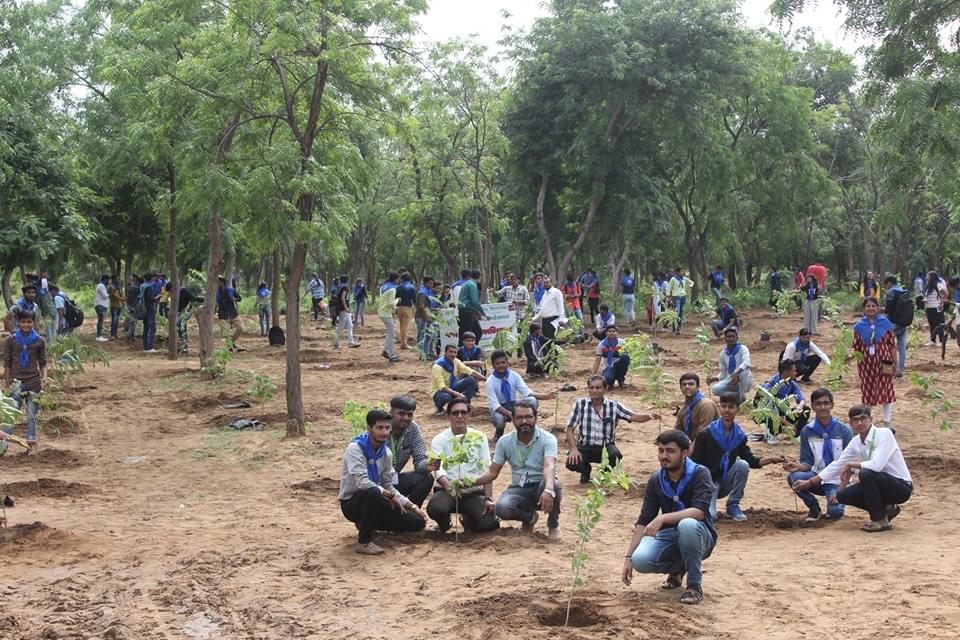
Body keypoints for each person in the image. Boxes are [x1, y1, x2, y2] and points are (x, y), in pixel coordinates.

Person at [622, 429, 717, 605]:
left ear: (685, 452)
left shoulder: (699, 473)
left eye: (670, 451)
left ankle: (694, 587)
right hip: (669, 537)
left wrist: (663, 518)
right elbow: (643, 521)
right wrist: (628, 558)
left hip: (700, 536)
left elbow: (699, 512)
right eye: (661, 450)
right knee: (640, 560)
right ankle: (677, 568)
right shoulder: (656, 480)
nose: (664, 456)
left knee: (687, 525)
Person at [792, 404, 912, 532]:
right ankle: (885, 510)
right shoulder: (856, 442)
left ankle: (878, 520)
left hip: (900, 486)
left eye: (863, 418)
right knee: (843, 495)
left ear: (871, 419)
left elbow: (877, 465)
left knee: (866, 474)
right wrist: (810, 482)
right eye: (855, 420)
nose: (860, 423)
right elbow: (837, 464)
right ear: (851, 423)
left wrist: (851, 465)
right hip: (878, 484)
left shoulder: (884, 434)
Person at [338, 409, 428, 555]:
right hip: (353, 503)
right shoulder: (355, 449)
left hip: (378, 500)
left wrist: (412, 506)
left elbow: (388, 484)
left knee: (417, 522)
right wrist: (389, 496)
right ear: (369, 429)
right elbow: (362, 483)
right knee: (372, 491)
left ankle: (369, 523)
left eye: (387, 428)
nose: (384, 432)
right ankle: (364, 542)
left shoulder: (386, 453)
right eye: (379, 428)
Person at [472, 400, 562, 540]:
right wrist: (469, 482)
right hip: (518, 488)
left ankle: (553, 524)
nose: (524, 421)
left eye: (528, 417)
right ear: (513, 420)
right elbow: (492, 472)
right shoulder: (504, 442)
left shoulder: (548, 439)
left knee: (554, 485)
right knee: (502, 508)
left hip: (541, 485)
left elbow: (549, 466)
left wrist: (548, 489)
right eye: (519, 418)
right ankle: (530, 517)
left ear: (535, 418)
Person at [690, 392, 783, 522]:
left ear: (737, 409)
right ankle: (704, 504)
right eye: (724, 406)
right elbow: (695, 462)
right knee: (711, 516)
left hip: (725, 480)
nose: (727, 410)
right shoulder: (706, 434)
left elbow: (750, 460)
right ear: (719, 408)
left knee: (742, 465)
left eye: (731, 407)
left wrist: (771, 460)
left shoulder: (739, 435)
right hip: (708, 483)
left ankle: (733, 504)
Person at [565, 374, 657, 483]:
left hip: (606, 446)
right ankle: (585, 471)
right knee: (572, 462)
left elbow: (632, 416)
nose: (594, 390)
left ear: (605, 389)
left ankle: (604, 474)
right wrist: (573, 449)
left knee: (616, 456)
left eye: (598, 388)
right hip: (585, 445)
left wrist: (648, 416)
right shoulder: (580, 404)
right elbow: (570, 428)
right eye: (592, 387)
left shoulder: (613, 405)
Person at [427, 398, 499, 533]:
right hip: (446, 491)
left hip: (473, 492)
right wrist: (449, 487)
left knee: (489, 524)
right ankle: (445, 523)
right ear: (448, 416)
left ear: (469, 415)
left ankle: (467, 519)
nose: (460, 416)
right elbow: (437, 468)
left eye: (463, 412)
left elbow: (486, 468)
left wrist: (488, 498)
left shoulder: (479, 437)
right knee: (436, 508)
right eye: (455, 413)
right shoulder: (439, 439)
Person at [783, 388, 853, 522]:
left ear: (832, 405)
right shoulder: (807, 431)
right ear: (813, 406)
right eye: (818, 403)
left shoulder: (845, 431)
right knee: (794, 477)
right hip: (816, 477)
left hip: (837, 480)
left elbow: (849, 464)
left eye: (826, 403)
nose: (822, 407)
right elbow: (807, 462)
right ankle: (813, 507)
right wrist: (797, 466)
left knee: (835, 512)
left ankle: (834, 504)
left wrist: (841, 489)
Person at [3, 311, 48, 455]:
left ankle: (32, 443)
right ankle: (2, 445)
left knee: (32, 415)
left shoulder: (39, 341)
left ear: (34, 323)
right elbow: (7, 363)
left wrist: (45, 377)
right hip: (16, 383)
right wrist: (7, 382)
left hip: (34, 382)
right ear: (18, 323)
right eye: (23, 322)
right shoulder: (11, 340)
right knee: (10, 414)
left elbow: (43, 362)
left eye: (29, 322)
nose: (26, 325)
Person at [485, 350, 554, 440]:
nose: (501, 365)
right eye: (497, 363)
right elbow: (495, 405)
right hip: (500, 408)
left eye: (503, 362)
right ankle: (499, 432)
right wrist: (511, 414)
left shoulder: (514, 375)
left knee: (532, 400)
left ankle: (526, 427)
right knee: (499, 420)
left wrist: (546, 396)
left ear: (507, 363)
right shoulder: (490, 381)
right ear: (493, 365)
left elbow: (526, 392)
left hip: (513, 404)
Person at [853, 297, 897, 426]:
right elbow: (855, 346)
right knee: (868, 389)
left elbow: (892, 345)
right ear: (864, 309)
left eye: (873, 306)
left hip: (885, 360)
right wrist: (851, 355)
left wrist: (896, 363)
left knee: (886, 388)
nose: (871, 308)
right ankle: (868, 420)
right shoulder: (859, 326)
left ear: (877, 308)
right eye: (868, 306)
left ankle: (887, 421)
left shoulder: (885, 324)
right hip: (865, 363)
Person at [386, 395, 435, 507]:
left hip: (394, 480)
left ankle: (409, 515)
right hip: (376, 482)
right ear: (391, 412)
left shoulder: (412, 429)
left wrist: (426, 466)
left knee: (426, 478)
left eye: (409, 414)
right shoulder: (382, 428)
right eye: (401, 413)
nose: (406, 418)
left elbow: (420, 458)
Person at [755, 360, 808, 445]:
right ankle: (772, 434)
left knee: (805, 409)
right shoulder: (770, 386)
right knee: (771, 416)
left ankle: (796, 434)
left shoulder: (791, 383)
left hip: (783, 413)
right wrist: (789, 425)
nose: (796, 373)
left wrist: (799, 407)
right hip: (771, 415)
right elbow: (770, 411)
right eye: (794, 371)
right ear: (786, 372)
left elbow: (802, 399)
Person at [431, 344, 485, 414]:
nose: (453, 354)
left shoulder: (456, 361)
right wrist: (458, 394)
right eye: (450, 352)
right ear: (445, 352)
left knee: (471, 380)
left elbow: (470, 372)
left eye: (455, 352)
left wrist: (486, 379)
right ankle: (439, 407)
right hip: (440, 391)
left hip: (453, 386)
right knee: (446, 397)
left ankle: (466, 404)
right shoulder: (437, 366)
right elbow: (442, 387)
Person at [708, 327, 753, 403]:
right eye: (728, 337)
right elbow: (724, 372)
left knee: (743, 372)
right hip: (731, 380)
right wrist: (715, 378)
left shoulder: (743, 349)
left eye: (733, 336)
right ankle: (736, 396)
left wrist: (736, 372)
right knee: (715, 389)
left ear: (737, 338)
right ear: (725, 339)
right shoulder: (723, 354)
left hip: (744, 381)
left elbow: (746, 363)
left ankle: (742, 397)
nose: (731, 339)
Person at [673, 373, 719, 442]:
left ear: (698, 386)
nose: (687, 387)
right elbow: (677, 432)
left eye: (691, 384)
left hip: (709, 444)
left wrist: (690, 450)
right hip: (693, 444)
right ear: (680, 388)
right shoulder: (684, 410)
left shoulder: (706, 405)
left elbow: (703, 434)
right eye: (684, 384)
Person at [883, 275, 912, 377]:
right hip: (903, 323)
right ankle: (901, 370)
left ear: (889, 283)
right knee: (902, 348)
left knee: (886, 346)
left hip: (892, 323)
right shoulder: (904, 291)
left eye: (886, 285)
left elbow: (888, 310)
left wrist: (881, 310)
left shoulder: (891, 292)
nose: (886, 287)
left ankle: (888, 370)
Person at [592, 324, 630, 388]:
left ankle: (621, 381)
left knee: (625, 357)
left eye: (613, 331)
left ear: (617, 332)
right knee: (608, 379)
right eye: (609, 331)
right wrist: (592, 374)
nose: (612, 333)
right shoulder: (602, 344)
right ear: (606, 333)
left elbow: (628, 357)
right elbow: (597, 360)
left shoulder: (622, 342)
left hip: (619, 366)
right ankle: (610, 381)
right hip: (608, 367)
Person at [531, 276, 566, 343]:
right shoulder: (544, 294)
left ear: (551, 283)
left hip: (553, 320)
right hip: (545, 321)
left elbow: (560, 306)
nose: (546, 284)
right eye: (544, 283)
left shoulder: (556, 292)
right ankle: (548, 353)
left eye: (547, 282)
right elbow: (542, 309)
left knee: (552, 340)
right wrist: (534, 318)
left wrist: (562, 319)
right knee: (546, 340)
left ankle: (555, 353)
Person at [170, 284, 203, 354]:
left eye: (171, 290)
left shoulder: (183, 291)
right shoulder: (176, 293)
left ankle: (184, 347)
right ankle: (182, 346)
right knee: (179, 328)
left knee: (181, 328)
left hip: (185, 311)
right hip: (179, 312)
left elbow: (192, 299)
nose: (171, 292)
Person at [378, 272, 401, 363]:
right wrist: (397, 301)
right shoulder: (393, 289)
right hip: (386, 313)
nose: (399, 281)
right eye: (398, 279)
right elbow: (391, 303)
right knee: (391, 334)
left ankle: (387, 350)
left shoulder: (383, 287)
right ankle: (389, 352)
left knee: (390, 333)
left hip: (382, 311)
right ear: (395, 279)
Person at [332, 275, 359, 349]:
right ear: (347, 280)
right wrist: (346, 308)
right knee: (341, 325)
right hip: (343, 309)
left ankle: (351, 342)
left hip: (343, 308)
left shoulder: (339, 287)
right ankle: (335, 342)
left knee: (350, 325)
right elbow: (342, 298)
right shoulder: (345, 288)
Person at [215, 276, 241, 351]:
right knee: (226, 332)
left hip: (233, 313)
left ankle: (231, 342)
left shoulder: (231, 290)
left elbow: (239, 298)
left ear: (222, 282)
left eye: (218, 282)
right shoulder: (215, 292)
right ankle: (229, 346)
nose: (217, 283)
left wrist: (235, 299)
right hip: (222, 314)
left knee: (240, 329)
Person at [922, 270, 947, 346]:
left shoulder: (938, 284)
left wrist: (942, 303)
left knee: (939, 324)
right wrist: (925, 300)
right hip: (929, 308)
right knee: (932, 324)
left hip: (936, 307)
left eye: (928, 276)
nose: (927, 277)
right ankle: (933, 341)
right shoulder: (928, 286)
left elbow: (945, 293)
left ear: (931, 277)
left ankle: (942, 340)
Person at [665, 268, 692, 335]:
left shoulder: (684, 279)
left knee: (681, 313)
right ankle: (674, 328)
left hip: (683, 296)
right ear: (677, 272)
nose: (683, 272)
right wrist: (668, 297)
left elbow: (692, 282)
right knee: (676, 313)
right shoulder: (673, 279)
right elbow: (669, 288)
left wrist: (689, 287)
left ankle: (679, 329)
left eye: (683, 271)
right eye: (681, 271)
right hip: (676, 297)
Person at [562, 274, 585, 339]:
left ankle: (581, 334)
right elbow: (564, 295)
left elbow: (580, 293)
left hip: (577, 305)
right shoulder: (565, 286)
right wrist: (570, 296)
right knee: (569, 320)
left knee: (580, 318)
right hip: (569, 306)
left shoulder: (577, 285)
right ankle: (570, 334)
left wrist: (576, 295)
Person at [125, 274, 141, 341]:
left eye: (132, 277)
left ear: (135, 278)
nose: (131, 278)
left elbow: (137, 297)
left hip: (134, 305)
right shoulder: (132, 285)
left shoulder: (137, 286)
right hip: (131, 305)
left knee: (133, 321)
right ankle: (130, 336)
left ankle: (131, 336)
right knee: (132, 321)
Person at [94, 275, 110, 342]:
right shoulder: (101, 286)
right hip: (100, 305)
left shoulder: (102, 286)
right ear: (105, 279)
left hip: (102, 305)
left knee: (101, 320)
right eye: (108, 280)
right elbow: (104, 296)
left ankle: (99, 335)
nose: (109, 281)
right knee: (100, 320)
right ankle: (98, 336)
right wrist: (110, 294)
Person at [108, 275, 124, 339]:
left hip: (119, 305)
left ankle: (115, 334)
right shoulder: (111, 287)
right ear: (113, 279)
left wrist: (123, 302)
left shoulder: (118, 287)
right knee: (114, 320)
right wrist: (123, 299)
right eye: (117, 279)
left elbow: (121, 295)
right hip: (114, 306)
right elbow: (115, 296)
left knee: (117, 320)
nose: (118, 280)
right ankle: (112, 335)